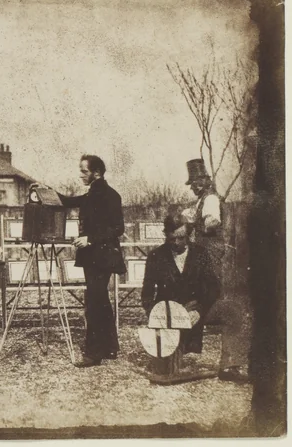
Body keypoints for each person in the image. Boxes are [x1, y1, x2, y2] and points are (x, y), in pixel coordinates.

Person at [36, 154, 127, 367]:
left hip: (102, 256)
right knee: (100, 300)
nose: (80, 175)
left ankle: (94, 354)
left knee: (95, 302)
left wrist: (90, 239)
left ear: (97, 173)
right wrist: (45, 190)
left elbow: (118, 228)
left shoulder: (110, 195)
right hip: (94, 256)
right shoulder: (92, 194)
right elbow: (67, 201)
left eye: (84, 171)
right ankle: (110, 348)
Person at [182, 158, 248, 383]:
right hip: (204, 255)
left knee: (208, 299)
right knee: (201, 301)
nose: (194, 186)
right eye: (192, 182)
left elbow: (212, 221)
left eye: (197, 181)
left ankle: (227, 363)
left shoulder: (210, 199)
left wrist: (199, 223)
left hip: (210, 256)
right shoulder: (202, 200)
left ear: (205, 181)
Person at [142, 214, 221, 355]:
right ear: (165, 235)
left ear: (189, 235)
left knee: (190, 354)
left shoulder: (200, 254)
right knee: (169, 359)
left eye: (181, 238)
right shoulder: (156, 256)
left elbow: (213, 288)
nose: (177, 243)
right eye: (172, 239)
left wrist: (200, 311)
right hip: (167, 313)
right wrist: (155, 315)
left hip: (194, 310)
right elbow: (147, 293)